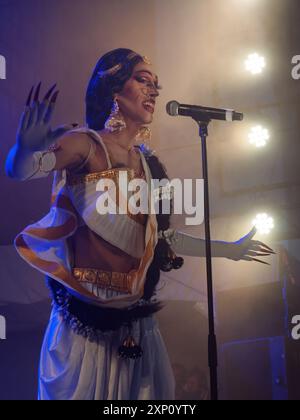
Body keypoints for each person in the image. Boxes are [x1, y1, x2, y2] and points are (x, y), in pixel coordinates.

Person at [5, 48, 274, 400]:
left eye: (156, 85)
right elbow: (21, 170)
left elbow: (162, 239)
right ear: (115, 90)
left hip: (138, 328)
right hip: (83, 331)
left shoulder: (151, 167)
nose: (154, 91)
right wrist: (23, 149)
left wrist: (229, 250)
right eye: (143, 80)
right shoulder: (85, 144)